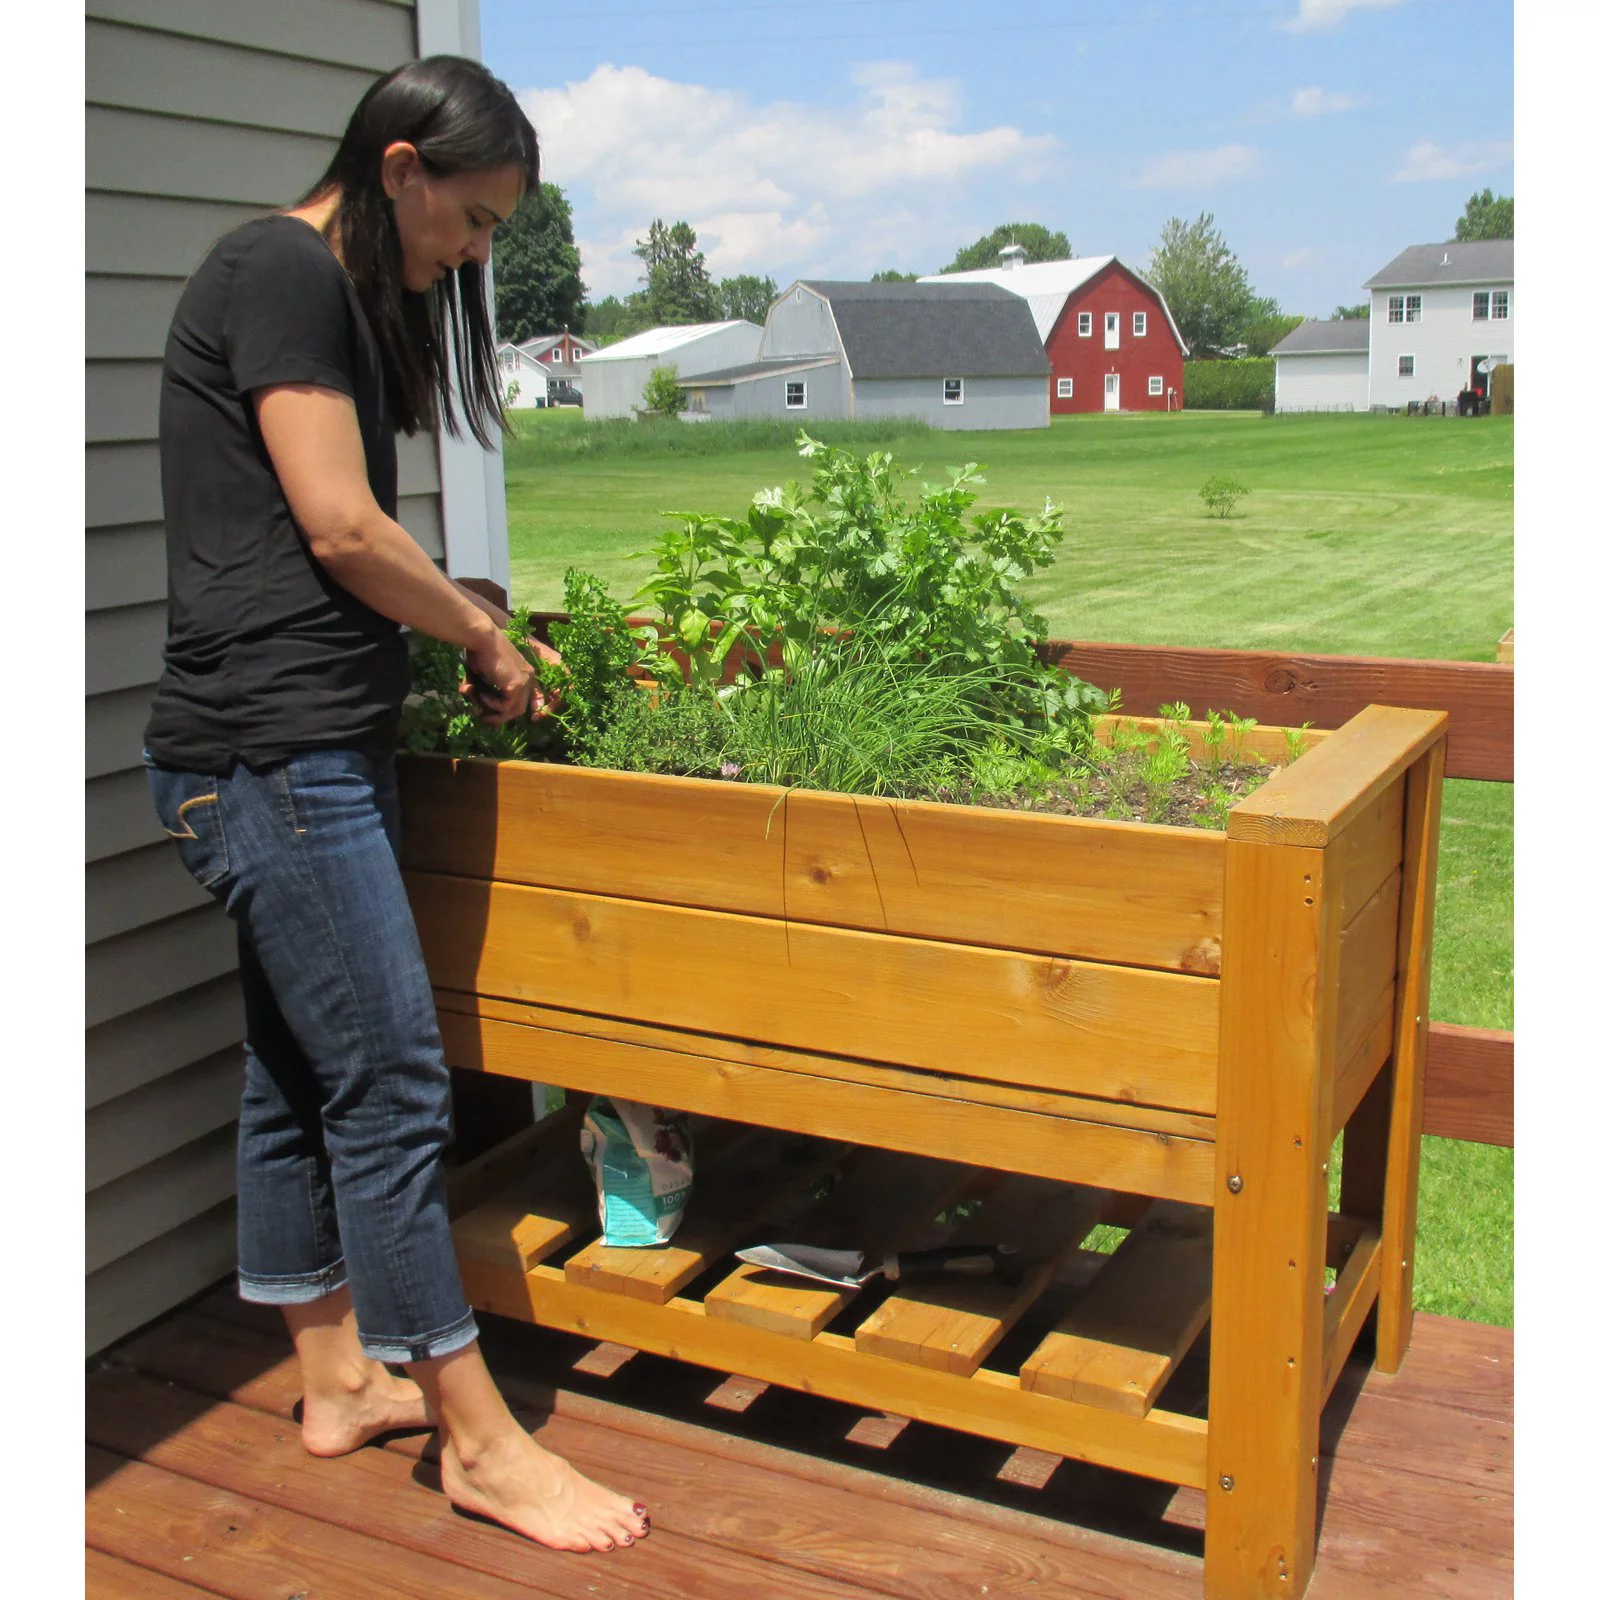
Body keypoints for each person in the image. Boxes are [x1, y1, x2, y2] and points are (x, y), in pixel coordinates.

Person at [142, 56, 650, 1555]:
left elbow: (319, 546)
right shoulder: (280, 269)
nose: (475, 255)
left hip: (281, 754)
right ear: (401, 166)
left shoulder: (328, 287)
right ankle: (478, 1441)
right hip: (271, 764)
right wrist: (481, 633)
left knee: (300, 1072)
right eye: (474, 221)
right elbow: (339, 522)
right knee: (394, 1087)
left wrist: (454, 614)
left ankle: (332, 1380)